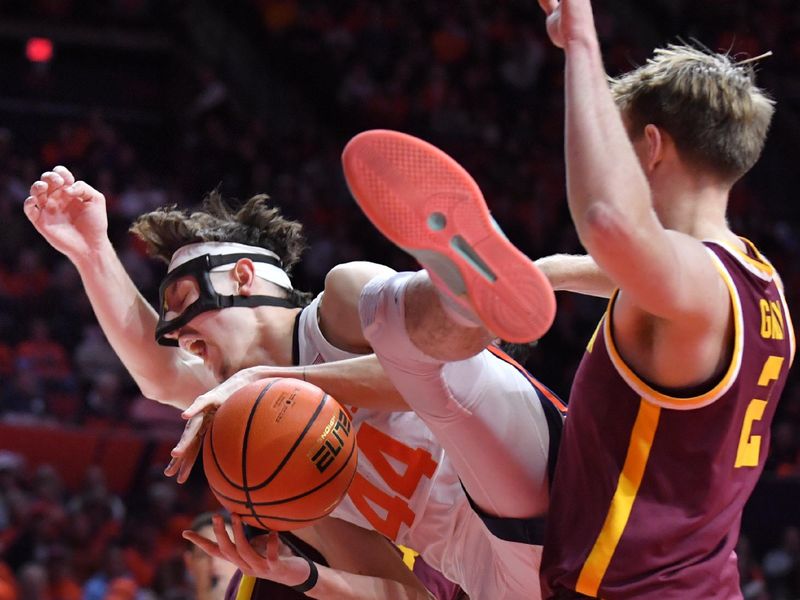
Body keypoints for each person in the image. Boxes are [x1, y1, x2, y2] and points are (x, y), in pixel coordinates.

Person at [24, 166, 567, 598]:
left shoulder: (340, 308)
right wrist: (91, 251)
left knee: (404, 338)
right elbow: (404, 593)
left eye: (183, 303)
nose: (175, 335)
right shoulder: (275, 461)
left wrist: (278, 376)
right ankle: (463, 295)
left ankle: (463, 289)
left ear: (241, 276)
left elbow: (427, 379)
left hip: (549, 471)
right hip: (509, 573)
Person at [530, 2, 793, 598]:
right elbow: (634, 275)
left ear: (650, 146)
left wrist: (580, 43)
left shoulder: (691, 286)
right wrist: (548, 272)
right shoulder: (757, 280)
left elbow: (606, 222)